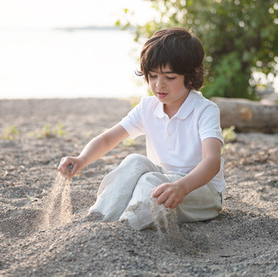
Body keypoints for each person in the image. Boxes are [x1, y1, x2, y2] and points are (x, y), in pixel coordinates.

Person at [58, 27, 226, 230]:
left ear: (191, 75)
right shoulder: (148, 107)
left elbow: (212, 161)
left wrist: (182, 186)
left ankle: (126, 227)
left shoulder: (204, 110)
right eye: (153, 76)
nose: (158, 85)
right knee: (134, 161)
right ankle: (97, 219)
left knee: (150, 181)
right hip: (162, 181)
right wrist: (81, 159)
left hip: (199, 190)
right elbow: (108, 139)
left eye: (169, 77)